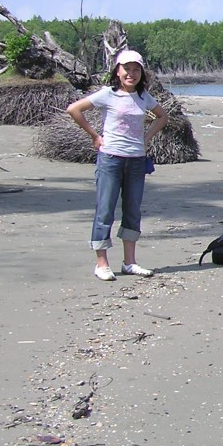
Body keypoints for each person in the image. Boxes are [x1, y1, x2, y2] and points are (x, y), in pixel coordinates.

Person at [66, 49, 169, 281]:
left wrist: (146, 138)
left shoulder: (144, 97)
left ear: (142, 73)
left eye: (136, 69)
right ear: (118, 71)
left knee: (132, 211)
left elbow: (162, 117)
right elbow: (74, 109)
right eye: (126, 69)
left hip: (136, 160)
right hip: (111, 158)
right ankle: (101, 263)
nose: (131, 74)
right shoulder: (107, 94)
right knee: (105, 210)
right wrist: (94, 135)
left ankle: (129, 262)